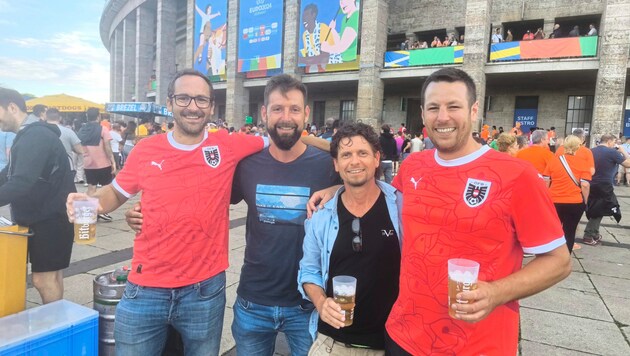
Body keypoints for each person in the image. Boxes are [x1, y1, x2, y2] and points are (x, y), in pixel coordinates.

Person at [66, 69, 268, 356]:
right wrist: (91, 203)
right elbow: (115, 193)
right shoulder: (146, 149)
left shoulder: (227, 144)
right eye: (184, 98)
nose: (193, 106)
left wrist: (337, 160)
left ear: (211, 106)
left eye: (201, 99)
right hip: (146, 286)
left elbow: (284, 139)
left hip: (204, 290)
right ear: (170, 103)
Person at [378, 68, 571, 355]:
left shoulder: (517, 175)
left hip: (479, 344)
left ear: (473, 110)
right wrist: (335, 191)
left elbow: (559, 261)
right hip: (404, 336)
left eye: (453, 106)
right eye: (434, 108)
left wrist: (496, 293)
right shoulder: (412, 166)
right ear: (422, 114)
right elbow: (381, 201)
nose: (442, 117)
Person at [227, 74, 340, 356]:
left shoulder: (328, 166)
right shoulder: (247, 165)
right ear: (264, 113)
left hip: (307, 302)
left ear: (306, 114)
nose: (285, 117)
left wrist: (337, 187)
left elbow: (370, 181)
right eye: (277, 109)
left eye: (294, 109)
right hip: (253, 300)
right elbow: (206, 195)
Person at [298, 123, 402, 355]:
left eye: (362, 153)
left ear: (377, 158)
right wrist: (321, 303)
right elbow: (308, 270)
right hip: (332, 344)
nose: (354, 161)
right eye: (346, 155)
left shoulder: (401, 207)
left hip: (389, 344)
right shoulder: (321, 216)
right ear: (336, 164)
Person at [0, 87, 75, 304]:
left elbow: (20, 183)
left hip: (49, 218)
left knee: (44, 280)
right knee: (52, 277)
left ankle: (55, 327)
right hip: (50, 215)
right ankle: (58, 324)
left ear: (12, 107)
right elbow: (9, 174)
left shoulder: (35, 136)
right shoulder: (30, 135)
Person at [543, 135, 591, 252]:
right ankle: (565, 256)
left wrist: (546, 196)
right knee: (570, 230)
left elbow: (546, 180)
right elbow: (585, 184)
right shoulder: (582, 162)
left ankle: (551, 254)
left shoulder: (554, 160)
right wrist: (585, 200)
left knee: (554, 230)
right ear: (578, 147)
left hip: (555, 201)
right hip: (574, 201)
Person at [582, 134, 630, 245]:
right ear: (608, 141)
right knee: (600, 209)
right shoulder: (612, 152)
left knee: (595, 207)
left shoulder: (591, 151)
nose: (615, 144)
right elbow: (628, 164)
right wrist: (623, 150)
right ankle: (589, 235)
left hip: (589, 183)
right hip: (604, 184)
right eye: (614, 142)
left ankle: (594, 233)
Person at [77, 108, 116, 213]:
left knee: (91, 187)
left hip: (88, 164)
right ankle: (102, 211)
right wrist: (113, 161)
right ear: (98, 116)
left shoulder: (82, 130)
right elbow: (107, 148)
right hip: (103, 163)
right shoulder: (103, 129)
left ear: (87, 117)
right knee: (106, 188)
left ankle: (89, 210)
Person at [44, 108, 85, 178]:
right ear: (60, 118)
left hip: (45, 168)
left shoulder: (40, 132)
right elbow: (80, 150)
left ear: (46, 117)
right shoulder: (68, 131)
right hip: (66, 166)